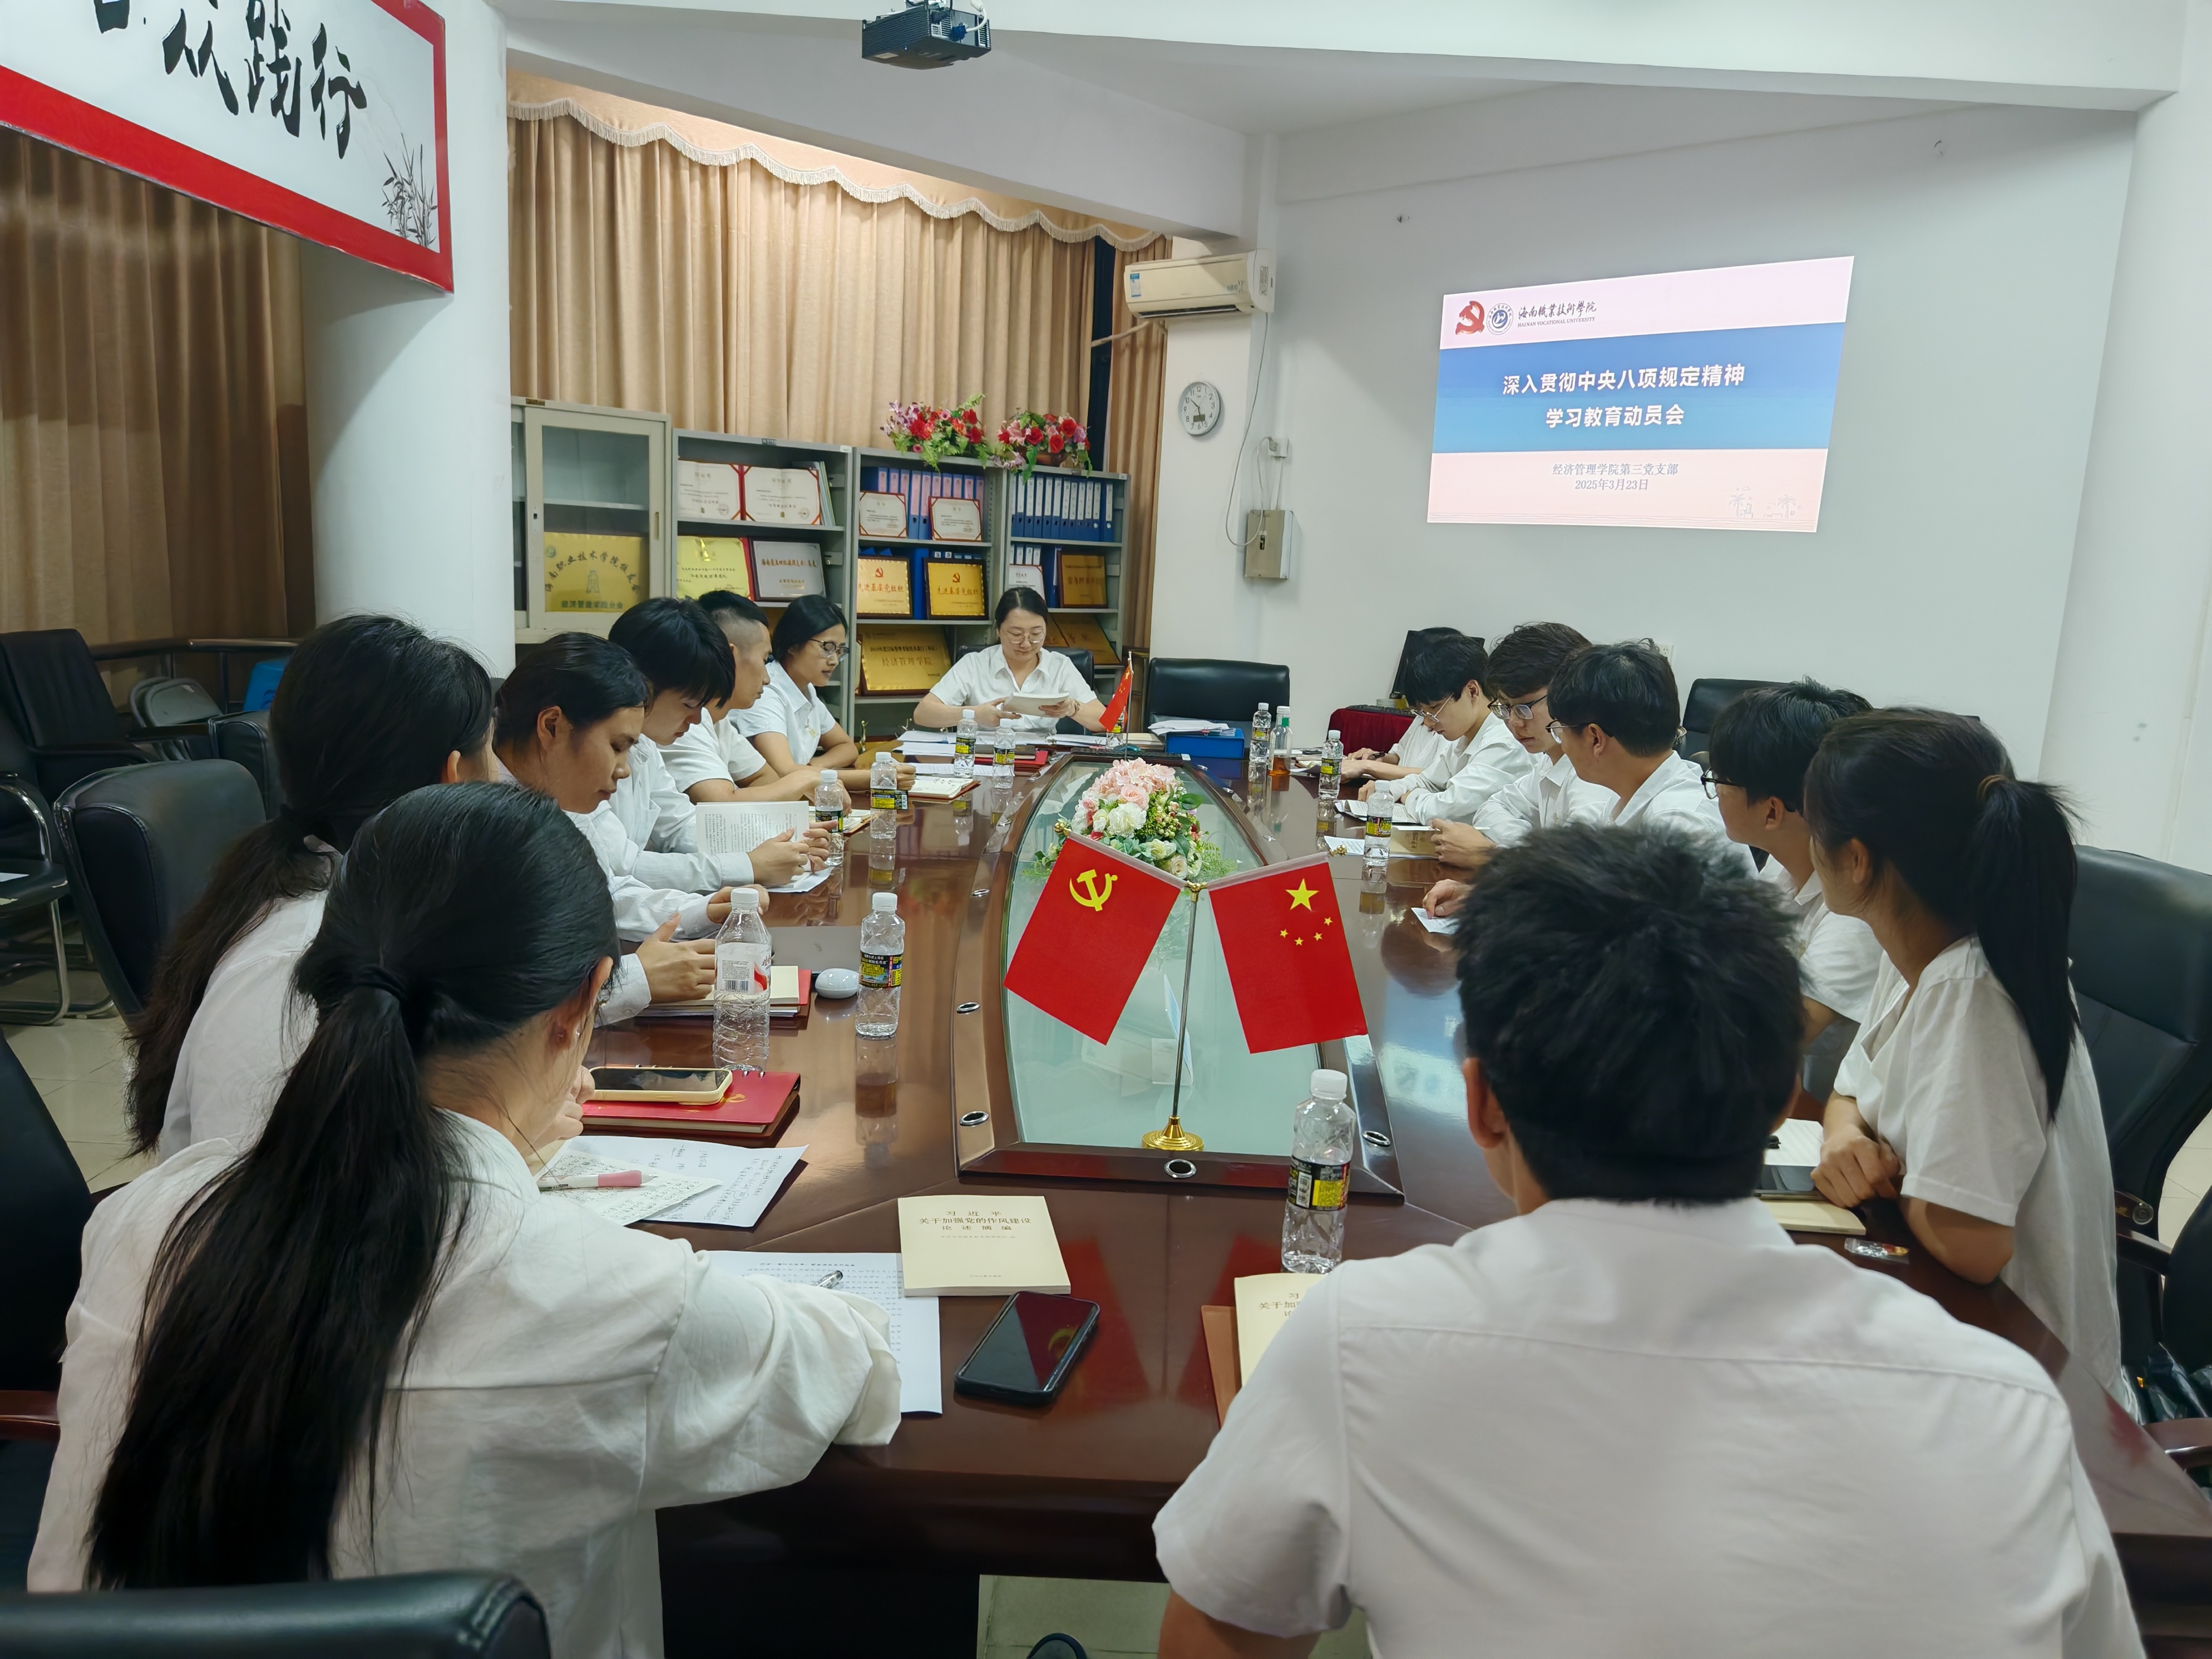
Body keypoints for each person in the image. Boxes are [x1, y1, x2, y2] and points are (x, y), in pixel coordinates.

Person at [1153, 822, 2137, 1659]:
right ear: (1769, 1104)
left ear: (1482, 1103)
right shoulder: (2003, 1405)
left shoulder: (1360, 1344)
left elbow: (1225, 1626)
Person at [30, 784, 900, 1656]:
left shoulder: (141, 1224)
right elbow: (859, 1370)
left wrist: (504, 1174)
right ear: (583, 1000)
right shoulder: (625, 1302)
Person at [1806, 710, 2128, 1409]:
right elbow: (1850, 1089)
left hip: (2037, 1390)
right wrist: (1844, 1138)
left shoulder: (1972, 990)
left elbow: (1971, 1243)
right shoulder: (1917, 939)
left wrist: (1897, 1179)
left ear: (1856, 859)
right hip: (1961, 1331)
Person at [129, 615, 497, 1162]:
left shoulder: (355, 900)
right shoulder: (293, 965)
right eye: (487, 755)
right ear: (453, 775)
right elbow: (258, 1214)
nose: (497, 779)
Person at [493, 635, 730, 1022]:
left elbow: (607, 888)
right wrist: (635, 979)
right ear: (552, 726)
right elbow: (509, 1007)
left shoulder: (563, 794)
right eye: (617, 746)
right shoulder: (487, 828)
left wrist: (701, 911)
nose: (625, 769)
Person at [1706, 680, 1881, 1099]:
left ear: (1771, 810)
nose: (1714, 794)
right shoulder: (1782, 872)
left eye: (1719, 780)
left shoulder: (1860, 907)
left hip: (1828, 1124)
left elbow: (1766, 1040)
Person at [600, 596, 826, 889]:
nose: (696, 720)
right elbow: (623, 867)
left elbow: (680, 825)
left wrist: (778, 844)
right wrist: (747, 865)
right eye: (689, 704)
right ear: (643, 685)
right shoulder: (590, 753)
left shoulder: (646, 745)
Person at [1420, 622, 1609, 917]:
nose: (1514, 724)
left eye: (1524, 708)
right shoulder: (1552, 760)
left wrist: (1493, 856)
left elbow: (1578, 884)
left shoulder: (1596, 776)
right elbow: (1493, 807)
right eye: (1506, 709)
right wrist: (1527, 859)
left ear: (1573, 692)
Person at [1546, 639, 1752, 874]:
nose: (1561, 743)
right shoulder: (1627, 796)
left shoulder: (1677, 829)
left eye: (1560, 730)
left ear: (1595, 739)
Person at [664, 591, 848, 806]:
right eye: (763, 659)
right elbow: (718, 800)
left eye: (840, 650)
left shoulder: (720, 723)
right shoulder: (687, 722)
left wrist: (809, 774)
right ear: (730, 657)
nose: (767, 678)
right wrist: (807, 777)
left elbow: (766, 778)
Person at [1355, 635, 1528, 824]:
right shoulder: (1464, 738)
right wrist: (1388, 790)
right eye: (1424, 714)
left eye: (1435, 709)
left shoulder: (1503, 743)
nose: (1429, 724)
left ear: (1472, 691)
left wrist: (1408, 796)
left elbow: (1446, 810)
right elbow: (1427, 780)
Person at [915, 586, 1108, 734]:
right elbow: (923, 713)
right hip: (984, 761)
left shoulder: (1060, 666)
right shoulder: (975, 664)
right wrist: (975, 715)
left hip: (1044, 763)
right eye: (1016, 634)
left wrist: (1073, 708)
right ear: (999, 631)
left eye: (1036, 634)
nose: (1026, 643)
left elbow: (1104, 721)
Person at [738, 594, 876, 794]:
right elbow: (785, 771)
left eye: (840, 651)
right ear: (794, 644)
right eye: (827, 648)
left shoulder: (806, 688)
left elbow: (846, 747)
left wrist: (816, 766)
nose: (834, 661)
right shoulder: (766, 691)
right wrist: (868, 778)